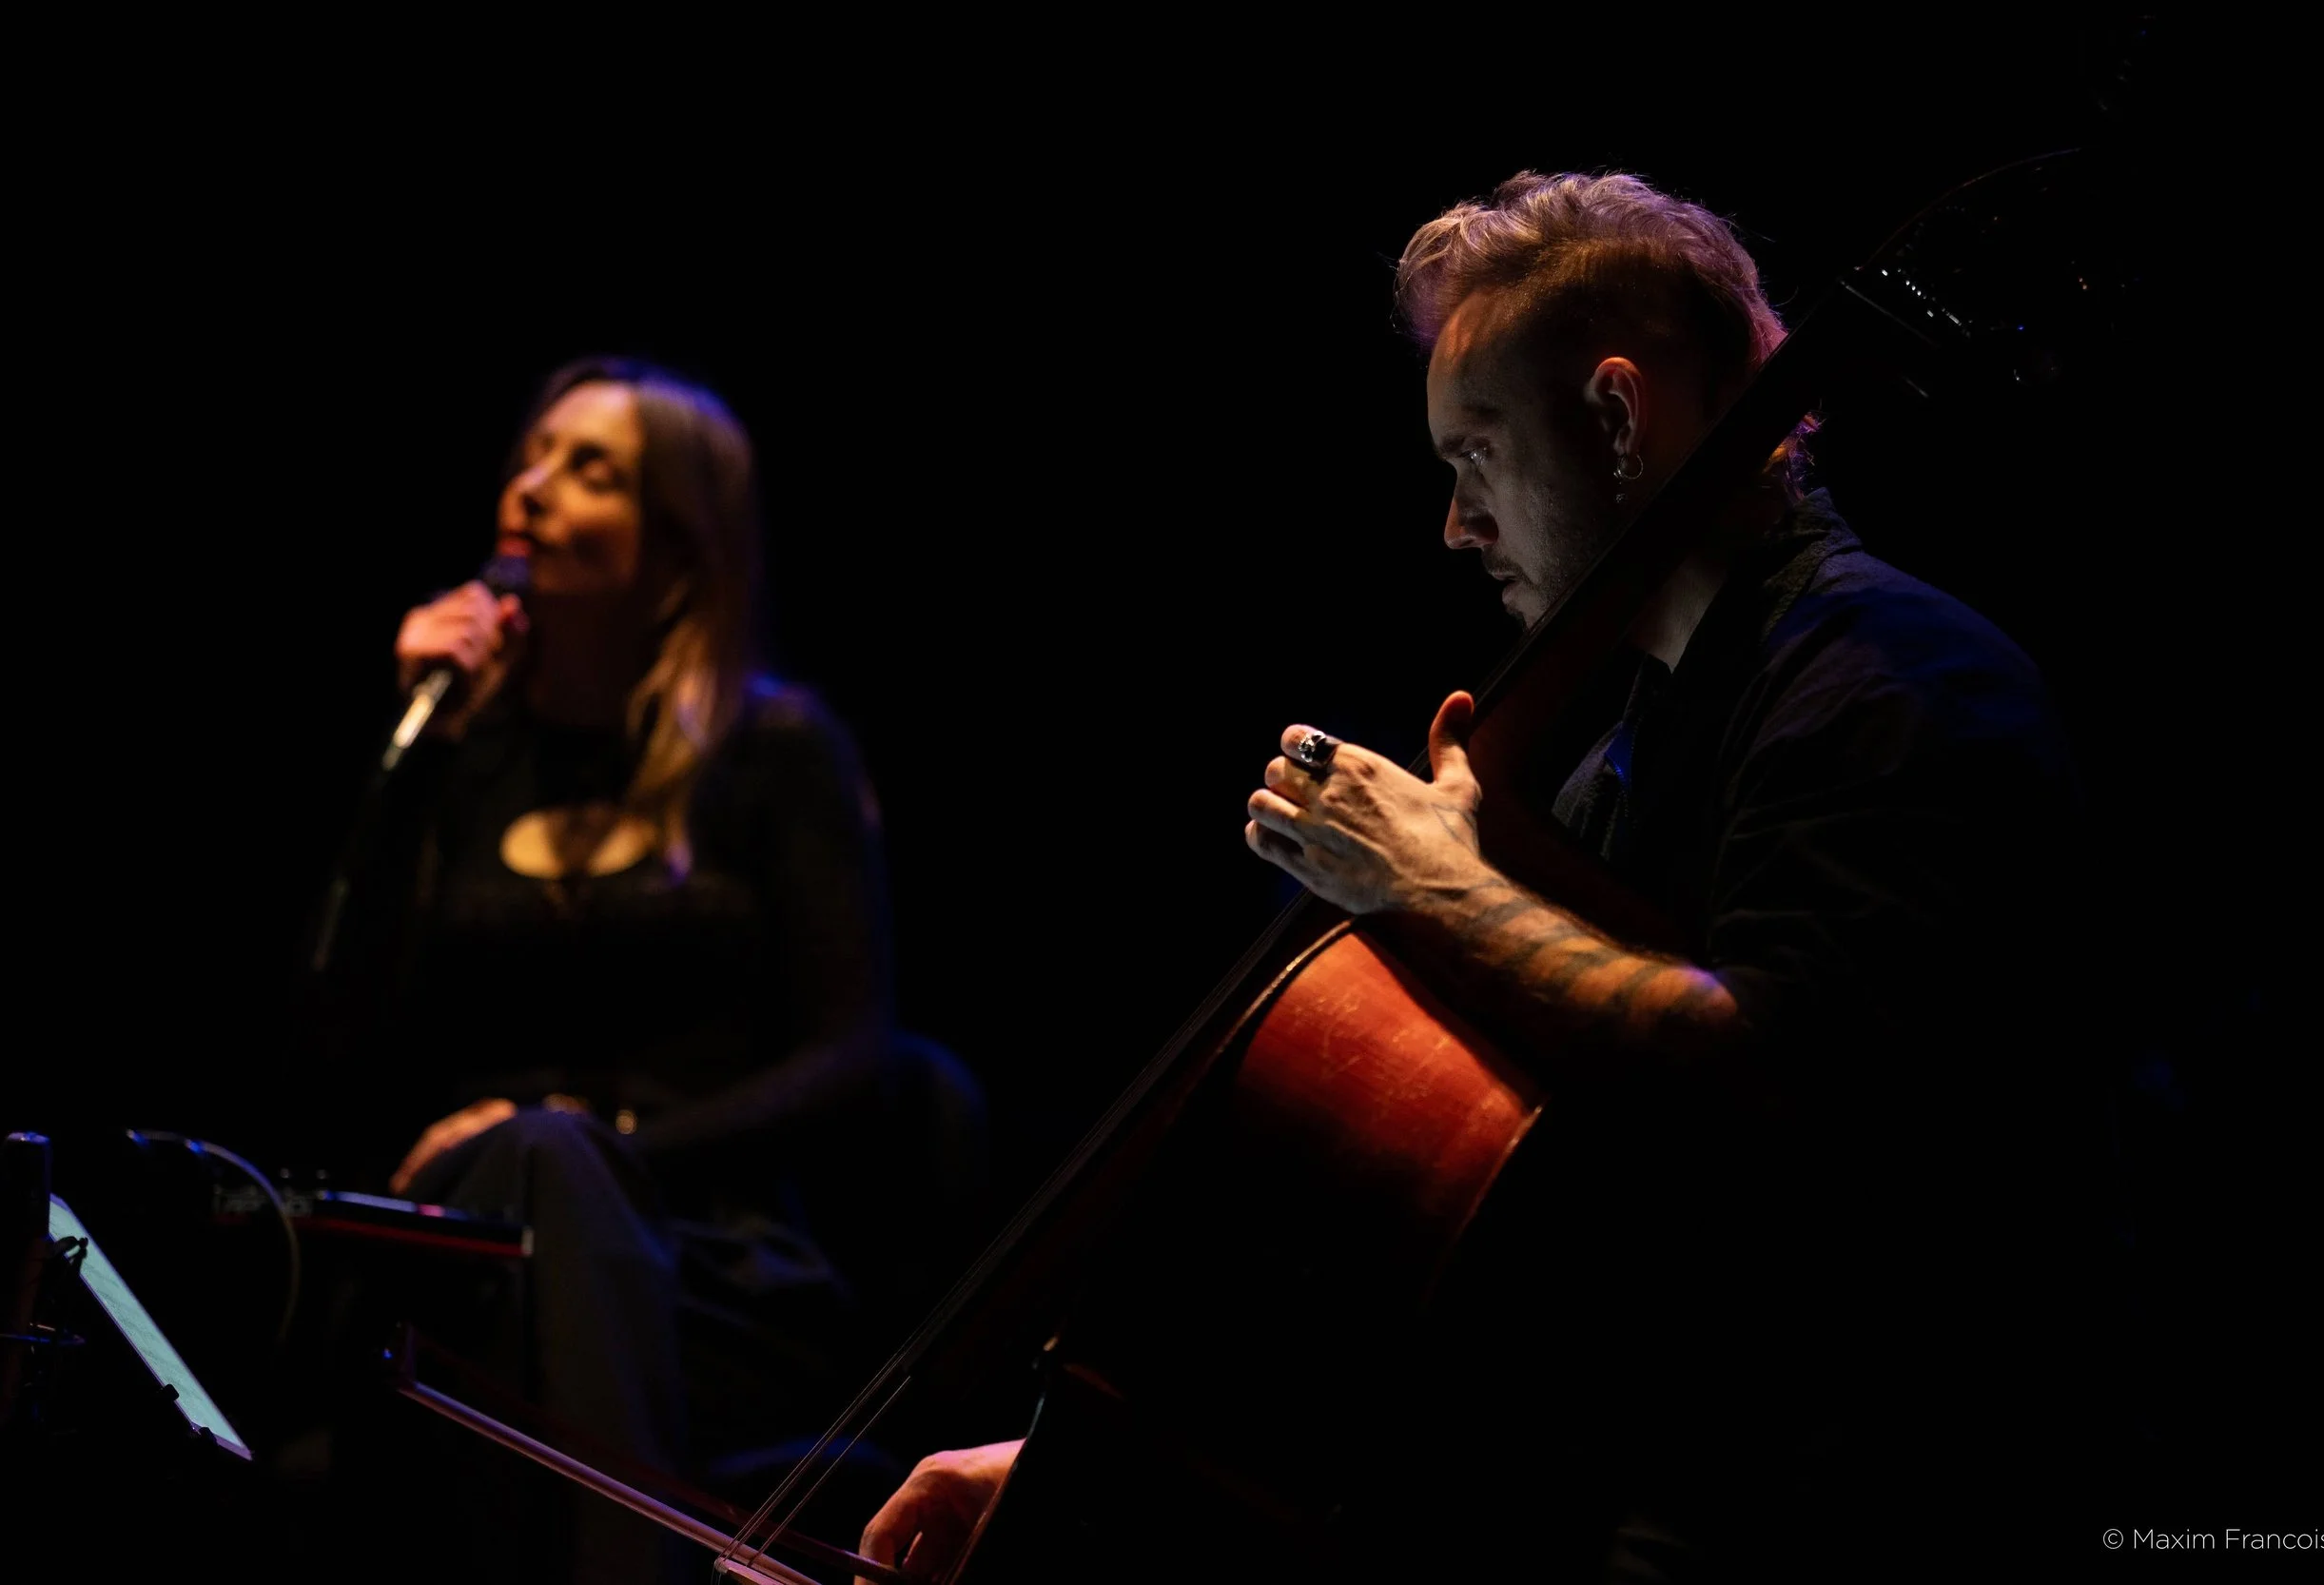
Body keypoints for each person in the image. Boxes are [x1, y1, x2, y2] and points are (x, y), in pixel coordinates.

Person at [857, 172, 2109, 1581]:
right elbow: (1468, 1259)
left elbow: (1771, 1083)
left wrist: (1428, 881)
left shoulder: (1892, 683)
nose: (1457, 526)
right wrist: (1086, 1458)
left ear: (1620, 420)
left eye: (1477, 458)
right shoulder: (1613, 765)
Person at [303, 358, 982, 1584]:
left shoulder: (772, 755)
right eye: (534, 456)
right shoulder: (466, 759)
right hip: (466, 1234)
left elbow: (852, 1053)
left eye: (590, 470)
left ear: (679, 546)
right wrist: (410, 757)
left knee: (552, 1160)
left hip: (704, 1254)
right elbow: (341, 1028)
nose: (531, 489)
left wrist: (598, 1135)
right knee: (504, 1194)